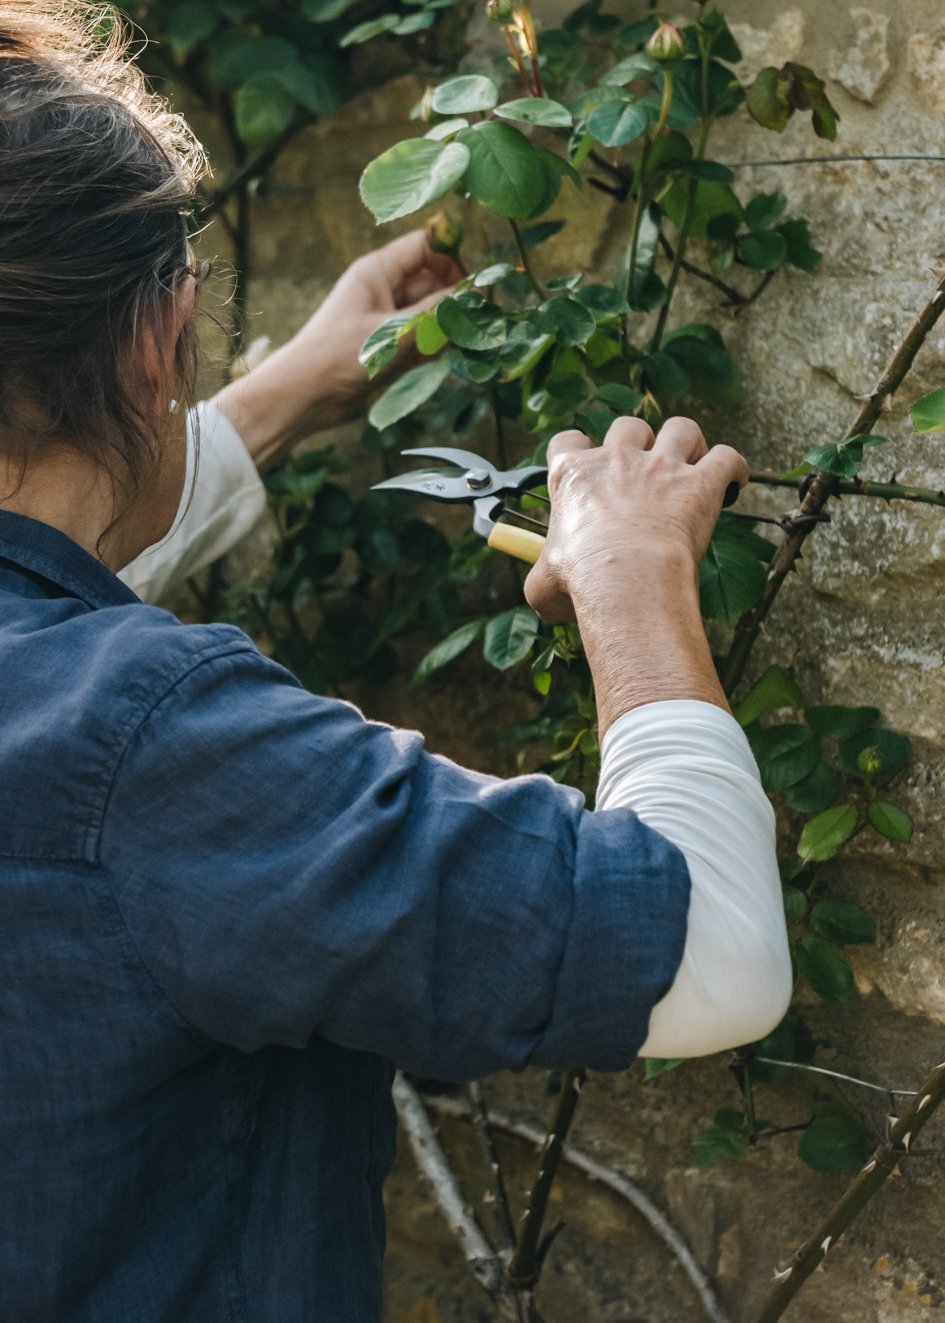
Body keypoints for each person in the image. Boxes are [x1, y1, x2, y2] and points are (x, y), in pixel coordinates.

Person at [0, 5, 791, 1321]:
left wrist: (298, 385)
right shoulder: (155, 748)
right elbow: (707, 953)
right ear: (157, 341)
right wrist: (636, 587)